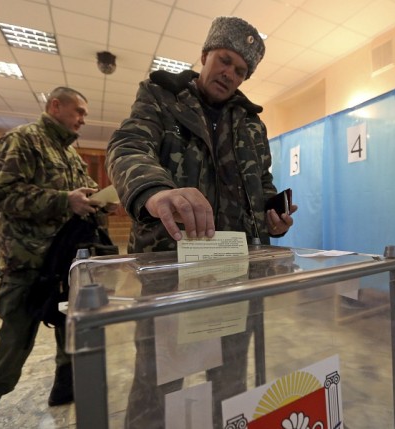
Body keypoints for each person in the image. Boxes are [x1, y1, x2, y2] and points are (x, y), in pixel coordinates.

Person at [106, 16, 298, 428]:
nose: (229, 73)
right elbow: (128, 146)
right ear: (204, 56)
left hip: (234, 271)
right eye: (224, 61)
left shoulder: (251, 123)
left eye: (240, 70)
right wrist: (156, 191)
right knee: (158, 385)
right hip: (169, 269)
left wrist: (272, 214)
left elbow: (261, 182)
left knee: (229, 381)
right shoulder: (161, 96)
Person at [0, 87, 106, 429]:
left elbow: (82, 193)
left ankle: (62, 388)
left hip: (64, 262)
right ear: (55, 106)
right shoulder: (22, 140)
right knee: (14, 340)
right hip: (27, 262)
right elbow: (1, 193)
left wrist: (101, 199)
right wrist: (63, 200)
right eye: (79, 111)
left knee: (68, 329)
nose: (83, 119)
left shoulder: (69, 155)